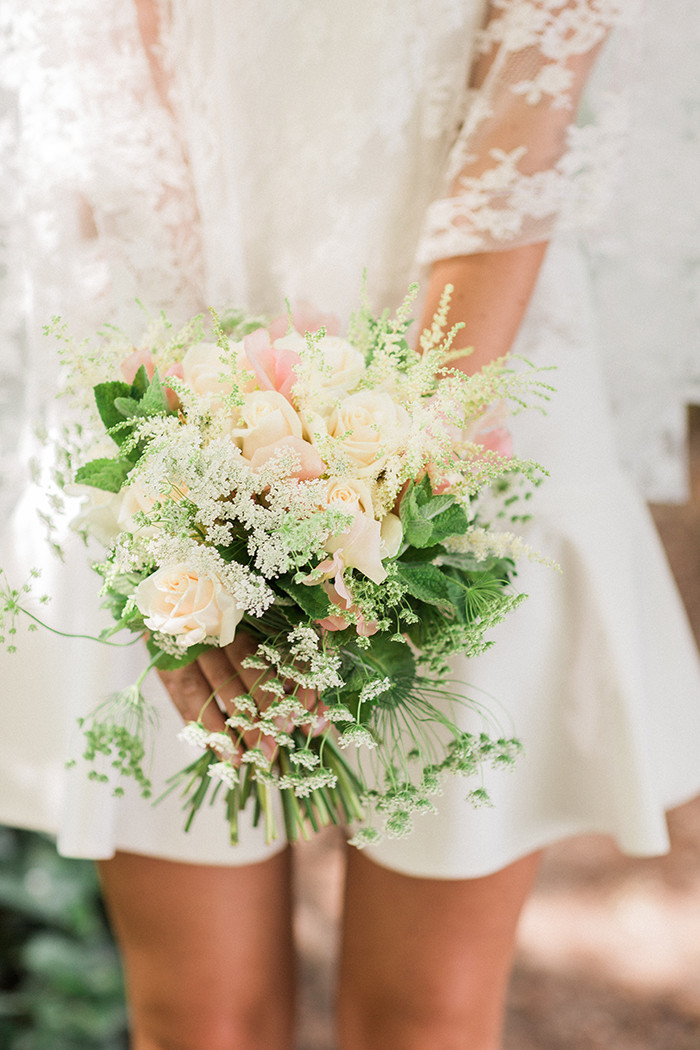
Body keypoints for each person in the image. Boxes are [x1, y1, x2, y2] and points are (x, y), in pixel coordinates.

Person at [2, 2, 700, 1048]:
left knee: (423, 1018)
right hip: (152, 356)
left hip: (475, 378)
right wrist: (185, 503)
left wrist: (387, 492)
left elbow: (526, 122)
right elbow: (107, 109)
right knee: (201, 1017)